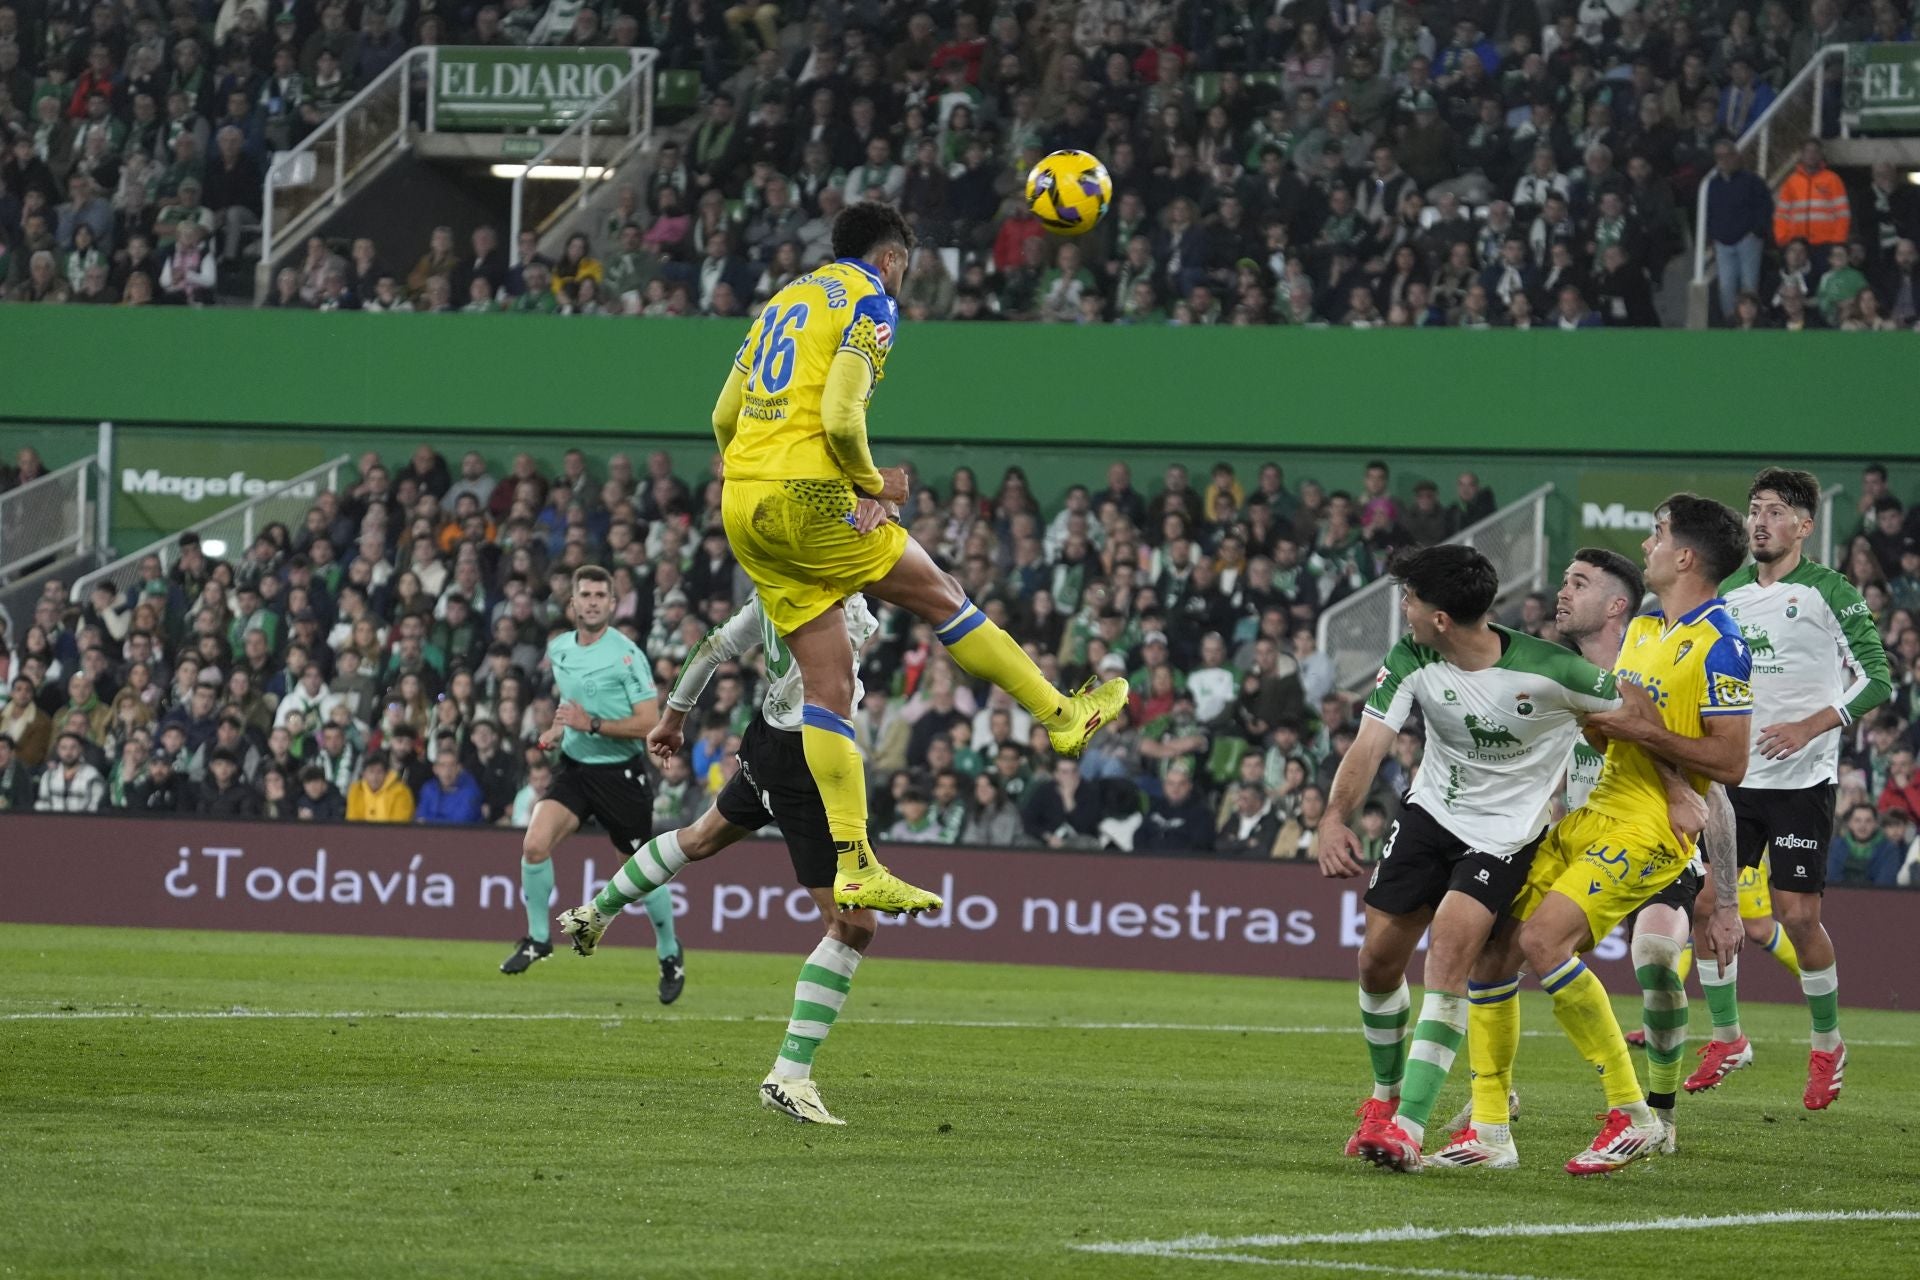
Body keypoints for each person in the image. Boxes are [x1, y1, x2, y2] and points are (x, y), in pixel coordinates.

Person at [710, 200, 1127, 916]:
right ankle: (1060, 715)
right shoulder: (870, 298)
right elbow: (842, 415)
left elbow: (723, 416)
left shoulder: (784, 300)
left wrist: (769, 483)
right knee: (942, 597)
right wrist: (872, 484)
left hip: (743, 501)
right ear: (893, 257)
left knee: (828, 685)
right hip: (809, 497)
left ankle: (856, 863)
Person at [1318, 545, 1622, 1173]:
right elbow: (1371, 743)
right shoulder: (1411, 656)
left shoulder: (1554, 671)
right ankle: (1386, 1097)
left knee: (1448, 962)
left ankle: (1407, 1128)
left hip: (1504, 837)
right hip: (1429, 815)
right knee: (1376, 964)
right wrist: (1332, 818)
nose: (1404, 607)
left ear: (1440, 619)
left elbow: (1637, 725)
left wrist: (1679, 797)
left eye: (1411, 599)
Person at [1480, 494, 1754, 1175]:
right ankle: (1487, 1127)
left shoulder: (1724, 643)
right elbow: (1631, 728)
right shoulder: (1647, 631)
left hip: (1647, 833)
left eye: (1658, 535)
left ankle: (1634, 1113)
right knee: (1491, 951)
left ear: (1686, 556)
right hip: (1598, 810)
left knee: (1554, 943)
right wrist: (1611, 731)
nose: (1648, 546)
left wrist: (1650, 752)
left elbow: (1730, 762)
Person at [559, 591, 882, 1124]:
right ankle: (790, 1077)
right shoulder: (832, 585)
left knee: (700, 837)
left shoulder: (774, 590)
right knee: (853, 925)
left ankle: (596, 911)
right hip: (808, 755)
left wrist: (672, 719)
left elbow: (709, 648)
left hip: (769, 733)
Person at [1694, 469, 1891, 1107]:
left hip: (1802, 782)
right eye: (1754, 510)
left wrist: (1812, 725)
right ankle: (1727, 1036)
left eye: (1775, 511)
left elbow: (1878, 680)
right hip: (1735, 780)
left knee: (1798, 917)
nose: (1760, 521)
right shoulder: (1725, 594)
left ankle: (1828, 1043)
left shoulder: (1828, 590)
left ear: (1804, 526)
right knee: (1705, 905)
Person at [504, 566, 680, 1004]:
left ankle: (670, 953)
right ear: (574, 603)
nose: (594, 601)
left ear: (613, 603)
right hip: (576, 769)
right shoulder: (560, 649)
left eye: (602, 594)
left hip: (621, 776)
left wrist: (593, 723)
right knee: (533, 845)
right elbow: (573, 703)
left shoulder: (627, 655)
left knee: (639, 876)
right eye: (586, 594)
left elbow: (648, 722)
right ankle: (538, 938)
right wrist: (559, 730)